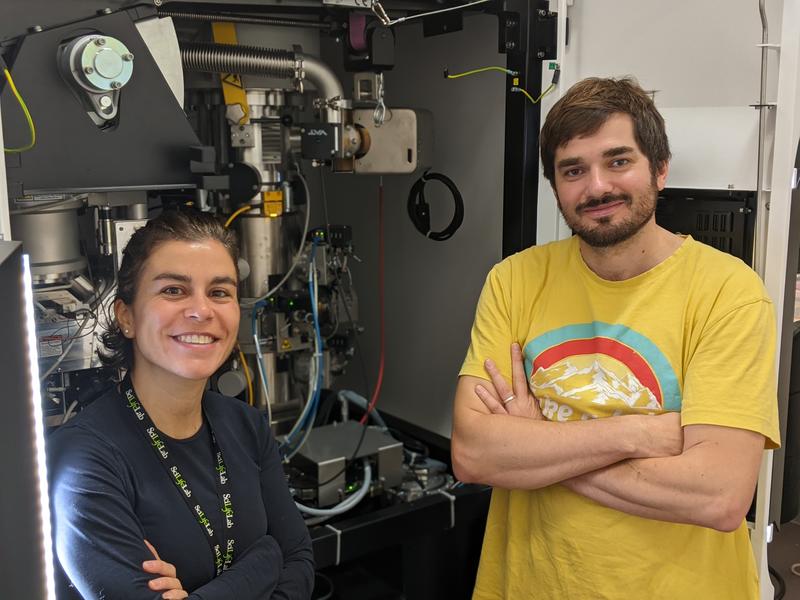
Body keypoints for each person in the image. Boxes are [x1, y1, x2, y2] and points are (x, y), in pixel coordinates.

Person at [451, 77, 781, 600]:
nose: (597, 186)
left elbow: (718, 496)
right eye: (573, 170)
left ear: (661, 168)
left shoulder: (728, 293)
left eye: (619, 161)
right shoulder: (514, 280)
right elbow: (473, 454)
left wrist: (537, 445)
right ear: (555, 185)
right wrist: (637, 435)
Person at [47, 210, 315, 599]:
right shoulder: (84, 458)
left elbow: (299, 562)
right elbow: (281, 557)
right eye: (174, 290)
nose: (201, 310)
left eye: (220, 292)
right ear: (127, 317)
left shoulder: (246, 425)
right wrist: (264, 562)